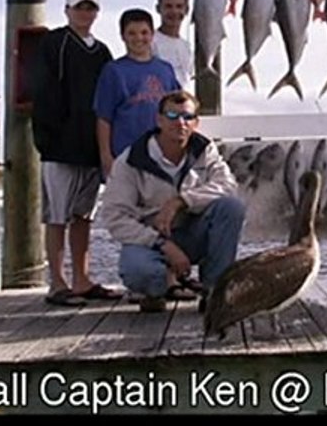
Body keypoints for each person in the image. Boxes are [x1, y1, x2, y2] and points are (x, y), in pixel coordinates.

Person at [100, 91, 245, 313]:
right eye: (171, 115)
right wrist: (162, 244)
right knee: (138, 271)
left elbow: (228, 186)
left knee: (231, 208)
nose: (180, 123)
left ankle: (214, 291)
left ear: (196, 123)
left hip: (193, 233)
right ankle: (156, 289)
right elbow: (115, 218)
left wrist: (181, 201)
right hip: (151, 241)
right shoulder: (131, 160)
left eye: (187, 117)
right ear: (158, 120)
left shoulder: (205, 151)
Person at [32, 0, 120, 307]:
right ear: (67, 10)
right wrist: (48, 138)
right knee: (56, 216)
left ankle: (82, 280)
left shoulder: (102, 51)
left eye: (90, 8)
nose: (85, 13)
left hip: (90, 149)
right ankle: (57, 283)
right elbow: (42, 92)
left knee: (83, 216)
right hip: (58, 149)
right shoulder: (54, 42)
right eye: (79, 7)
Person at [94, 9, 181, 180]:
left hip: (161, 156)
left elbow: (177, 110)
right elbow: (103, 118)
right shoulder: (113, 71)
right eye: (131, 33)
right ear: (122, 36)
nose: (138, 38)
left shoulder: (165, 69)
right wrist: (106, 157)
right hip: (125, 156)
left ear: (152, 34)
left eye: (144, 32)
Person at [152, 0, 194, 93]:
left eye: (179, 6)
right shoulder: (150, 42)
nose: (174, 11)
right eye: (168, 6)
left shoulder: (186, 46)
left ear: (187, 10)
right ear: (158, 9)